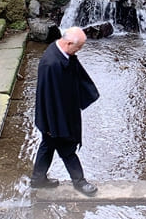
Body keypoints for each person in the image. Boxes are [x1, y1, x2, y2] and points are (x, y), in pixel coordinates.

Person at [31, 26, 100, 197]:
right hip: (54, 118)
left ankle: (38, 180)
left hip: (57, 114)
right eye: (79, 47)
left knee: (47, 147)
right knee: (67, 148)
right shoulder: (51, 64)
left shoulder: (62, 52)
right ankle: (80, 182)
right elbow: (47, 97)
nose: (79, 51)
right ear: (69, 43)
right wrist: (51, 126)